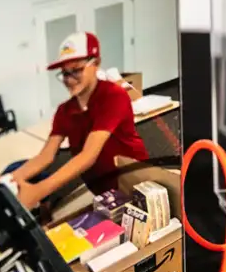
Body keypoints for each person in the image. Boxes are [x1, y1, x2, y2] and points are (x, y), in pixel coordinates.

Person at [9, 32, 148, 211]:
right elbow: (45, 157)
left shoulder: (113, 96)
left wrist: (38, 191)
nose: (69, 79)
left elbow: (88, 155)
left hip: (136, 182)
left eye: (76, 70)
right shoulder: (65, 111)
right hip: (102, 190)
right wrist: (9, 180)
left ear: (96, 64)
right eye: (65, 73)